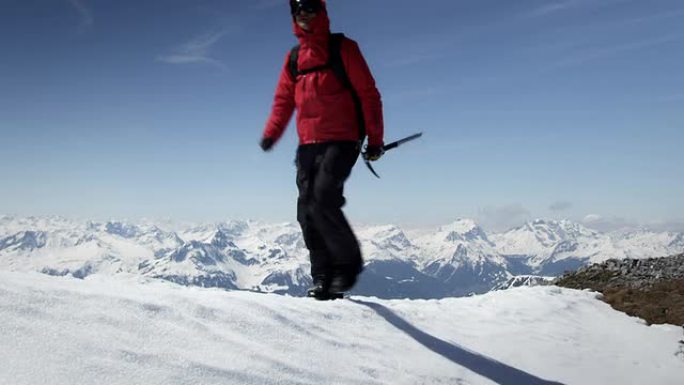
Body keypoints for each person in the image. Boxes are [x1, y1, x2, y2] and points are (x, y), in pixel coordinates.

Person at [259, 0, 385, 300]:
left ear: (321, 9)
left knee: (323, 198)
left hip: (343, 139)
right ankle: (323, 278)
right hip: (308, 145)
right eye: (297, 8)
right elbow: (283, 101)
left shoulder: (344, 48)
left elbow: (369, 94)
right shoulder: (294, 58)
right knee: (306, 212)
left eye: (309, 6)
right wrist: (271, 134)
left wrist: (375, 139)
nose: (303, 13)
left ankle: (347, 266)